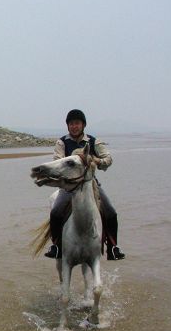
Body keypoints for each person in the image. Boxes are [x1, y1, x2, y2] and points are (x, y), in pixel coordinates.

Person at [44, 109, 126, 260]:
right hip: (69, 186)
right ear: (67, 126)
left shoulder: (93, 141)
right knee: (55, 212)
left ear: (83, 125)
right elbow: (57, 161)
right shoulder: (61, 142)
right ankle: (56, 246)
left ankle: (113, 247)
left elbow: (108, 159)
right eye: (71, 124)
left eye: (77, 123)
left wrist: (95, 161)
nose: (74, 126)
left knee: (111, 212)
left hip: (91, 184)